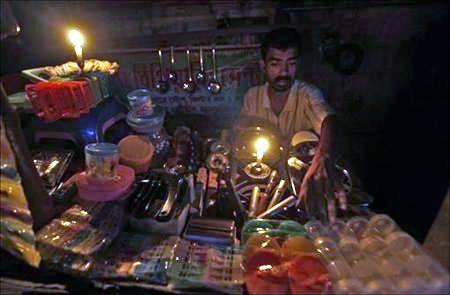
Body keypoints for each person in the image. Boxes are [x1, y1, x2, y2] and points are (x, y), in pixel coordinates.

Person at [239, 27, 345, 221]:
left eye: (291, 63)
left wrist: (322, 156)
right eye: (276, 64)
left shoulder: (307, 94)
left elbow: (330, 120)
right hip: (263, 186)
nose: (284, 72)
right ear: (263, 65)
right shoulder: (252, 97)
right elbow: (243, 133)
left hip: (301, 183)